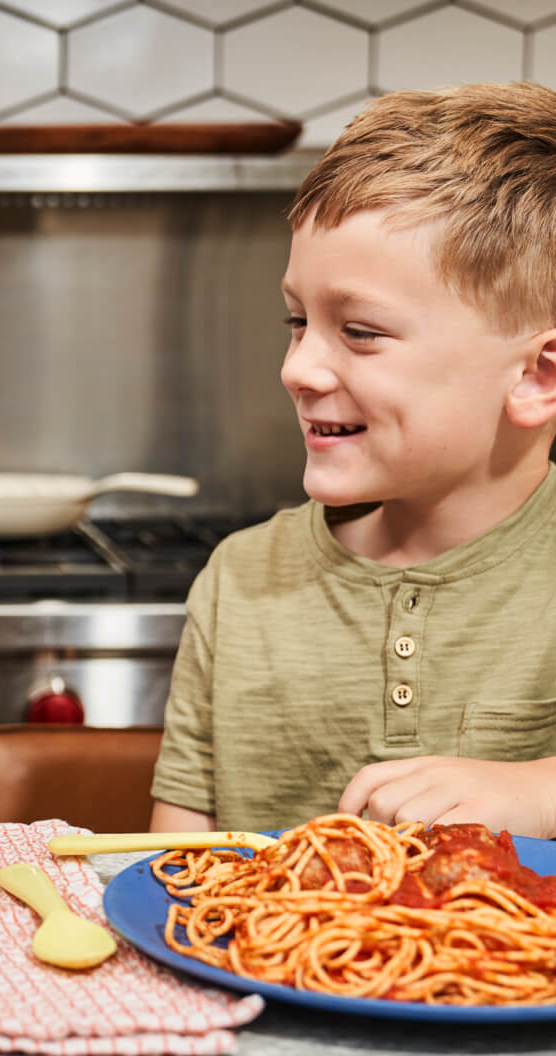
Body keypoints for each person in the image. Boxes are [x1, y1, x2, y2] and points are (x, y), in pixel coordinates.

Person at [149, 81, 556, 839]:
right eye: (297, 321)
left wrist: (537, 793)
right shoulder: (240, 584)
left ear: (538, 378)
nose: (298, 368)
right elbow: (173, 875)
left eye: (361, 331)